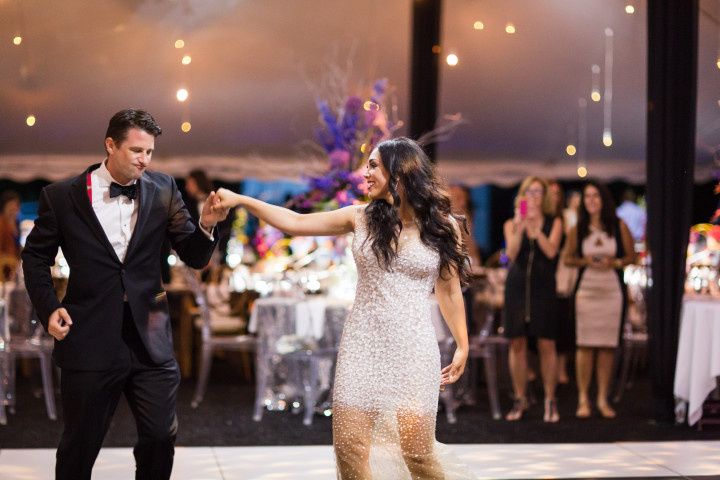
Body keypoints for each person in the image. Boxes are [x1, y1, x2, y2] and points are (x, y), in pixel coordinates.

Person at [214, 137, 474, 479]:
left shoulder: (443, 228)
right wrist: (242, 200)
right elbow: (295, 222)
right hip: (361, 347)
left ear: (400, 173)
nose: (362, 172)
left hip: (413, 351)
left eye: (373, 165)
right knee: (349, 453)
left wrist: (463, 345)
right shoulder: (360, 218)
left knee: (419, 456)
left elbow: (450, 291)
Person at [21, 109, 228, 480]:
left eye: (149, 152)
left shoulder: (164, 189)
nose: (144, 160)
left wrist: (207, 226)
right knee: (80, 444)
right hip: (89, 334)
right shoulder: (61, 196)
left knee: (160, 436)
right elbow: (35, 256)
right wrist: (49, 307)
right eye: (136, 150)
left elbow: (194, 256)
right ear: (110, 145)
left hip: (150, 335)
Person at [562, 180, 634, 419]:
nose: (591, 200)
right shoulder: (578, 228)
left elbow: (632, 256)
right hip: (587, 290)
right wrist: (588, 262)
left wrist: (614, 263)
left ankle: (602, 397)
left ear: (604, 199)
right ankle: (583, 397)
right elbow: (568, 258)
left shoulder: (618, 225)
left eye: (595, 196)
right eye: (587, 196)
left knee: (606, 346)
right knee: (585, 345)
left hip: (611, 290)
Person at [502, 176, 562, 422]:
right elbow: (512, 253)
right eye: (530, 191)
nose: (535, 196)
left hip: (543, 286)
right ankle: (520, 397)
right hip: (517, 287)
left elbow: (551, 251)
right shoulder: (512, 223)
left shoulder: (554, 222)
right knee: (517, 343)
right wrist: (521, 225)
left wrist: (536, 230)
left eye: (539, 191)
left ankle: (550, 399)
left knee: (547, 343)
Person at [0, 190, 21, 281]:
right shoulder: (1, 223)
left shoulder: (16, 223)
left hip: (12, 269)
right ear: (4, 206)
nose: (14, 208)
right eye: (11, 205)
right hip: (3, 270)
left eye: (16, 205)